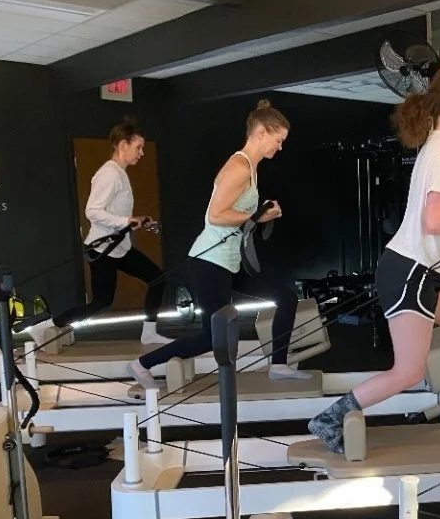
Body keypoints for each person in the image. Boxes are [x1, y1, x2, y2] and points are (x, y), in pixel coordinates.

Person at [306, 65, 440, 454]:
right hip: (413, 273)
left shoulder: (438, 149)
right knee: (408, 371)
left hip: (424, 273)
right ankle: (329, 417)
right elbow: (434, 220)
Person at [127, 99, 310, 387]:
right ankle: (141, 364)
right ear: (262, 133)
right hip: (210, 262)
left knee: (285, 297)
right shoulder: (240, 166)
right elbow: (216, 216)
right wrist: (257, 216)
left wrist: (258, 212)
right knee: (214, 338)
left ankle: (278, 365)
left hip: (228, 261)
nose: (280, 147)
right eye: (278, 140)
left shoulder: (248, 165)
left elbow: (230, 209)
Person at [29, 117, 171, 347]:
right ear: (122, 144)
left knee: (158, 278)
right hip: (103, 249)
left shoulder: (120, 173)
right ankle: (43, 327)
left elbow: (114, 213)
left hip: (120, 247)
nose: (141, 153)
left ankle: (149, 332)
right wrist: (126, 220)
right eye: (138, 147)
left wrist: (137, 221)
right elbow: (92, 211)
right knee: (101, 302)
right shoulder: (110, 174)